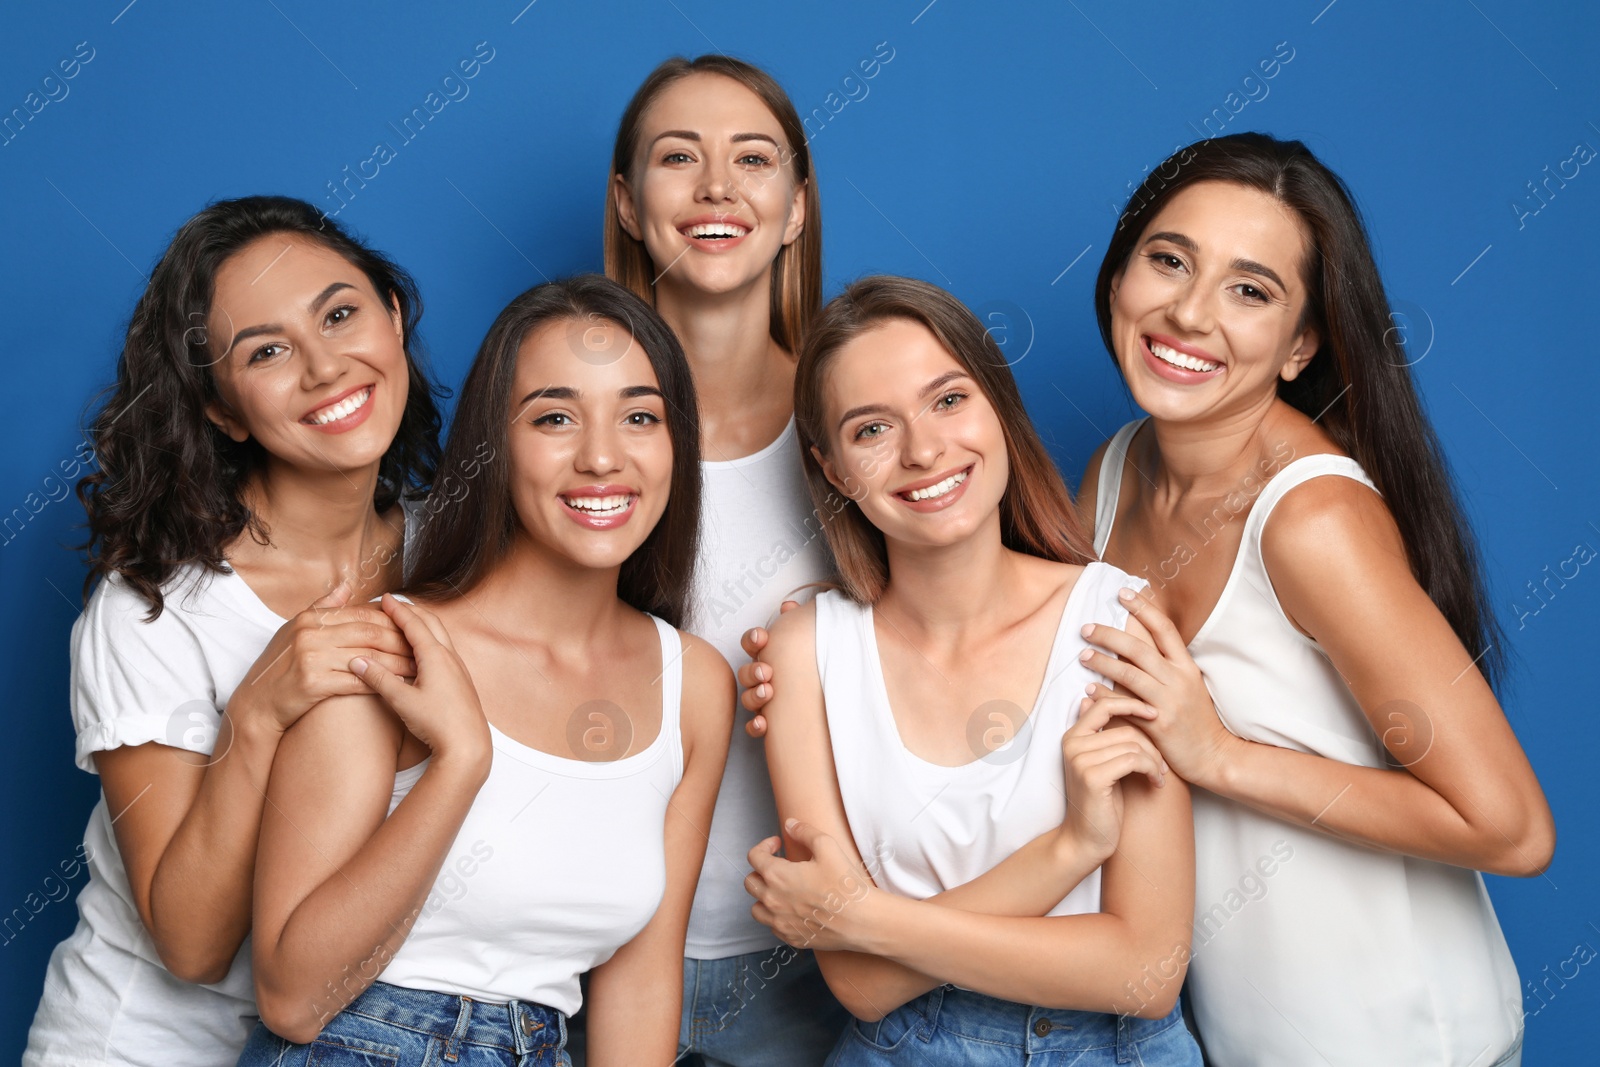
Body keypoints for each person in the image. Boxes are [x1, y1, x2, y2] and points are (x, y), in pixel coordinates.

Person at [1074, 132, 1553, 1065]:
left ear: (1301, 345)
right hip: (1233, 1035)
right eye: (1168, 260)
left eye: (1249, 290)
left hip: (1398, 1039)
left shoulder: (1311, 520)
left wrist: (1217, 753)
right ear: (1119, 272)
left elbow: (1512, 827)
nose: (1188, 312)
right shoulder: (1113, 471)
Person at [238, 275, 734, 1067]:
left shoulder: (695, 685)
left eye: (640, 416)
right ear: (493, 447)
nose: (603, 456)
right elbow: (292, 998)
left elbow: (638, 985)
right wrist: (461, 764)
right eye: (555, 418)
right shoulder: (388, 648)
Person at [24, 196, 443, 1067]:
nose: (326, 366)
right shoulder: (151, 609)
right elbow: (191, 944)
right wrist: (255, 715)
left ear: (393, 316)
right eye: (267, 351)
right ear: (220, 408)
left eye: (340, 313)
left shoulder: (464, 552)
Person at [743, 276, 1202, 1065]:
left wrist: (866, 919)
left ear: (998, 406)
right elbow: (860, 984)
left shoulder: (1117, 623)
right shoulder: (803, 653)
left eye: (949, 400)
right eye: (871, 428)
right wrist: (1072, 847)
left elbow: (1146, 973)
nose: (923, 450)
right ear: (832, 470)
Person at [603, 54, 846, 1063]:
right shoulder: (566, 433)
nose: (715, 187)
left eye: (752, 158)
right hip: (594, 945)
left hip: (815, 960)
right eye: (677, 158)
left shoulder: (870, 427)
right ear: (626, 202)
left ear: (795, 206)